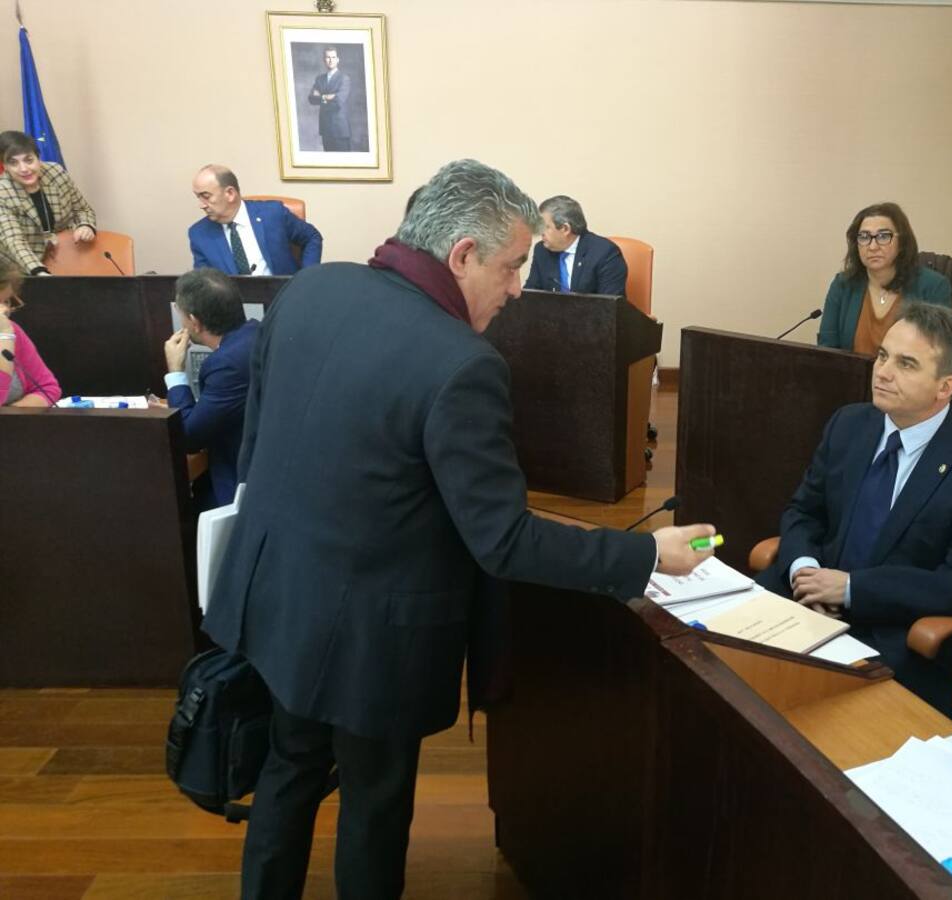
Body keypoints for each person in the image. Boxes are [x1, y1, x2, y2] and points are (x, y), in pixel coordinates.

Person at [202, 158, 715, 898]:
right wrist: (645, 555)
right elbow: (503, 540)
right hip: (370, 636)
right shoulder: (461, 362)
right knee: (375, 805)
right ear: (463, 254)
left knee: (289, 765)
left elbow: (257, 446)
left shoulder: (309, 289)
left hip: (275, 595)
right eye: (512, 266)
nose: (518, 288)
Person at [756, 303, 952, 715]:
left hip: (887, 633)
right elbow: (804, 511)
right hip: (802, 598)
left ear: (945, 387)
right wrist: (804, 571)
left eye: (906, 364)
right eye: (882, 355)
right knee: (713, 666)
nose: (882, 372)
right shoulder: (849, 424)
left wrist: (851, 589)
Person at [161, 268, 260, 509]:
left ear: (194, 322)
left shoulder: (226, 364)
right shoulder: (257, 333)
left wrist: (175, 372)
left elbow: (188, 436)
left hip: (241, 487)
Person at [817, 202, 952, 353]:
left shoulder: (934, 287)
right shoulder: (843, 284)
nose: (873, 247)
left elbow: (940, 353)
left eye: (883, 236)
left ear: (902, 242)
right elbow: (826, 349)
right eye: (864, 237)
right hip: (849, 369)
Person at [188, 165, 322, 276]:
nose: (201, 205)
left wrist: (305, 278)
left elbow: (312, 237)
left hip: (282, 295)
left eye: (206, 196)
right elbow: (204, 282)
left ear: (230, 194)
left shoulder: (273, 213)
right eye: (198, 197)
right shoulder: (199, 234)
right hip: (231, 300)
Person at [0, 131, 97, 276]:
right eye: (14, 163)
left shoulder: (55, 173)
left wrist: (86, 226)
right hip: (19, 268)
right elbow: (14, 240)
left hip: (64, 257)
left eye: (29, 160)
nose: (24, 169)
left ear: (38, 158)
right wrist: (39, 272)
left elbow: (82, 210)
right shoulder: (2, 192)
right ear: (5, 167)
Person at [524, 195, 628, 296]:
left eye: (545, 227)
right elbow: (530, 295)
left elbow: (609, 304)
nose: (540, 232)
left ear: (565, 229)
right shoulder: (542, 250)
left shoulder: (605, 254)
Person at [0, 265, 61, 406]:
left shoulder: (12, 330)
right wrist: (4, 336)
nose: (4, 310)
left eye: (6, 301)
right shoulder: (6, 331)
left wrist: (15, 415)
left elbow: (48, 388)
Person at [308, 46, 352, 152]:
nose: (331, 60)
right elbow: (311, 99)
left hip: (340, 131)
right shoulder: (320, 79)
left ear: (338, 59)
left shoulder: (344, 79)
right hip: (325, 129)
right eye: (328, 57)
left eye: (333, 57)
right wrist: (327, 97)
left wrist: (321, 97)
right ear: (324, 60)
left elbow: (338, 101)